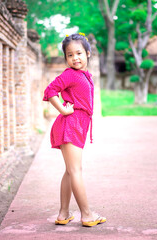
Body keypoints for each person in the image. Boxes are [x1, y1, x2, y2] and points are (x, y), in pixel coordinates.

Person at [43, 33, 106, 227]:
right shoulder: (70, 74)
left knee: (70, 171)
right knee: (76, 170)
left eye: (78, 53)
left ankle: (63, 213)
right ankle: (86, 214)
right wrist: (62, 109)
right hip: (70, 125)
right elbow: (50, 91)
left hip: (78, 126)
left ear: (88, 53)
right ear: (66, 58)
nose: (75, 58)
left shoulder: (84, 75)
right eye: (70, 55)